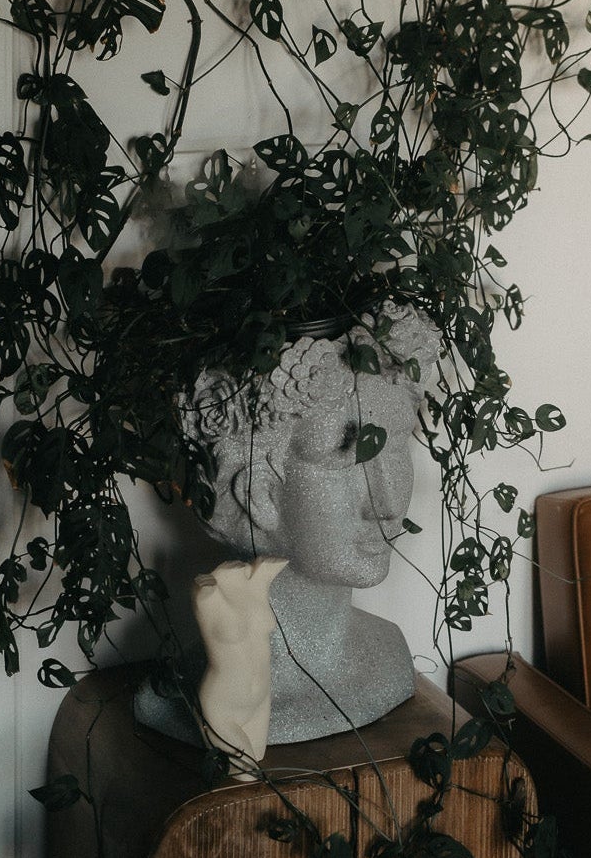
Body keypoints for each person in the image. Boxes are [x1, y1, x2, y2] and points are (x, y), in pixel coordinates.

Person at [134, 303, 440, 762]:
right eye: (344, 453)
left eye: (396, 439)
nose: (391, 502)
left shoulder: (389, 655)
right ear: (259, 493)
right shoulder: (178, 698)